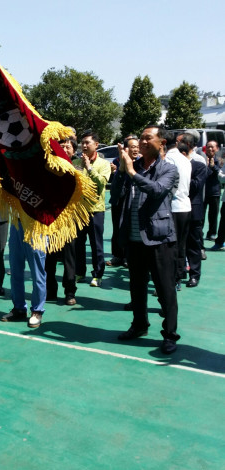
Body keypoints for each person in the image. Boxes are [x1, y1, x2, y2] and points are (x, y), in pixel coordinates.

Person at [111, 125, 180, 354]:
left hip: (158, 238)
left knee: (165, 289)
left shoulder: (168, 169)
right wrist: (122, 171)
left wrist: (131, 173)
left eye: (147, 138)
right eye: (140, 137)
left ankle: (170, 335)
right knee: (136, 287)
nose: (141, 141)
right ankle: (139, 325)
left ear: (161, 142)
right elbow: (116, 194)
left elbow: (158, 191)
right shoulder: (134, 165)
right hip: (134, 238)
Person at [73, 130, 111, 287]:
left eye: (87, 143)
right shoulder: (75, 163)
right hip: (79, 210)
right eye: (82, 143)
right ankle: (79, 272)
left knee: (96, 245)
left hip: (95, 210)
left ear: (96, 145)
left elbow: (102, 182)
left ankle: (97, 274)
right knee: (78, 244)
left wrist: (89, 168)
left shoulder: (104, 164)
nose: (84, 145)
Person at [45, 133, 78, 305]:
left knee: (69, 259)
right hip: (50, 221)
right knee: (49, 259)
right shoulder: (48, 168)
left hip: (69, 222)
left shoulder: (78, 170)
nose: (64, 149)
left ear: (73, 151)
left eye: (68, 147)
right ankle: (50, 291)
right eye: (61, 146)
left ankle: (70, 292)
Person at [2, 220, 47, 328]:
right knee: (15, 268)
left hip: (36, 224)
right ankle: (19, 308)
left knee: (37, 272)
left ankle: (37, 311)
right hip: (17, 223)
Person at [177, 133, 207, 286]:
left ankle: (194, 275)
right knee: (177, 244)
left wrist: (180, 183)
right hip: (177, 210)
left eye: (178, 142)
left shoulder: (199, 164)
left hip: (193, 210)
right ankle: (178, 273)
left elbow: (196, 186)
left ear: (187, 145)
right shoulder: (173, 163)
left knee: (193, 244)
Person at [164, 131, 192, 290]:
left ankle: (171, 280)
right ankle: (178, 278)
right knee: (181, 245)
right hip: (185, 207)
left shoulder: (168, 159)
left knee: (170, 247)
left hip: (173, 207)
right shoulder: (186, 159)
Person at [107, 136, 139, 267]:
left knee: (130, 228)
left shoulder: (140, 162)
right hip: (119, 199)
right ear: (126, 149)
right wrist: (114, 172)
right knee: (117, 228)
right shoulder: (117, 161)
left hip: (132, 199)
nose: (136, 149)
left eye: (137, 147)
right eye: (133, 147)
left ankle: (128, 256)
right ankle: (117, 255)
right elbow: (115, 183)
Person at [203, 140, 221, 240]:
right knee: (201, 214)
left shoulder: (220, 160)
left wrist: (213, 166)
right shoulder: (202, 159)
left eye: (212, 147)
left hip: (214, 191)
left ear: (217, 148)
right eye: (208, 146)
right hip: (203, 191)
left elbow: (220, 174)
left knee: (213, 215)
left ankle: (212, 233)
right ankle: (199, 232)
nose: (210, 149)